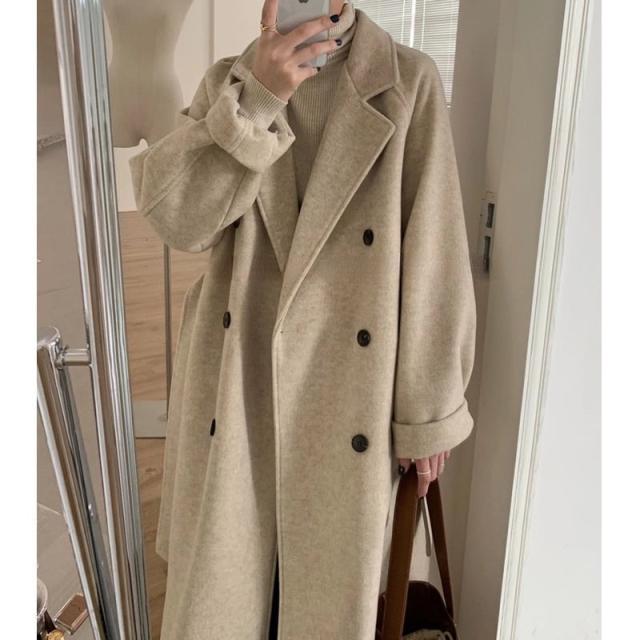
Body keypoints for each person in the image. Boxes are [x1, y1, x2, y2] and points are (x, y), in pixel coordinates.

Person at [129, 0, 476, 637]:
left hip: (348, 388)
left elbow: (435, 247)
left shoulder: (407, 81)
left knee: (321, 595)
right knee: (230, 594)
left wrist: (429, 414)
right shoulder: (230, 83)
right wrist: (256, 100)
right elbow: (179, 222)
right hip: (241, 379)